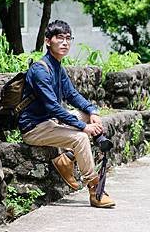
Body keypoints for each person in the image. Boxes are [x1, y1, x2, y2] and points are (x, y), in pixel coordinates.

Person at [18, 20, 115, 208]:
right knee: (80, 138)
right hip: (34, 128)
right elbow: (53, 107)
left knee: (88, 117)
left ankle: (67, 159)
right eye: (60, 38)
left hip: (50, 122)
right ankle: (95, 189)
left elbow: (72, 95)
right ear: (48, 41)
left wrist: (92, 112)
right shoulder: (40, 69)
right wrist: (85, 127)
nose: (65, 42)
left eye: (68, 38)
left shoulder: (57, 66)